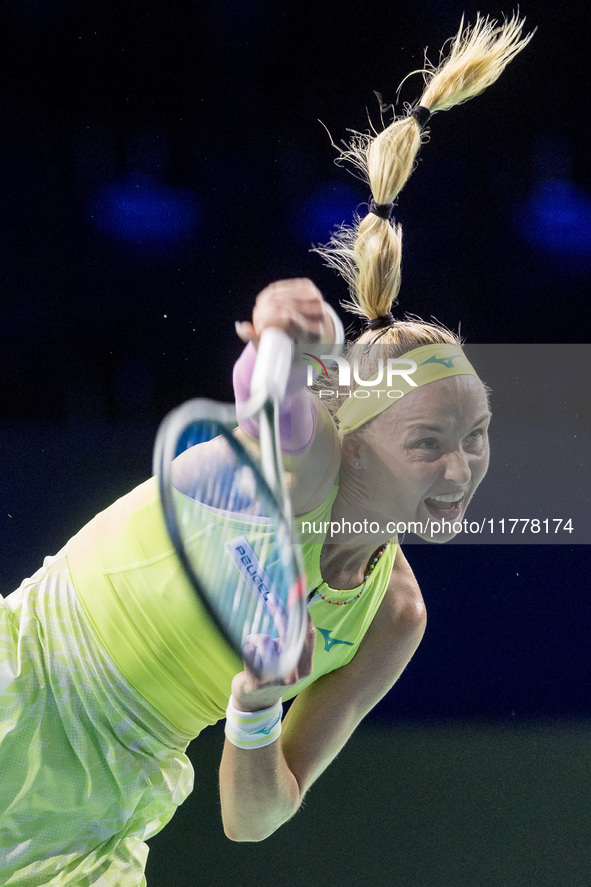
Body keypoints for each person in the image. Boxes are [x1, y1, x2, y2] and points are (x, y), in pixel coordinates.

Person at [0, 14, 532, 885]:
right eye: (428, 440)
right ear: (357, 441)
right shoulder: (307, 459)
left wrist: (253, 712)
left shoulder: (394, 618)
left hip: (98, 821)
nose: (462, 467)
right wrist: (287, 323)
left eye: (474, 439)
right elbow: (269, 395)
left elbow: (254, 817)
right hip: (20, 691)